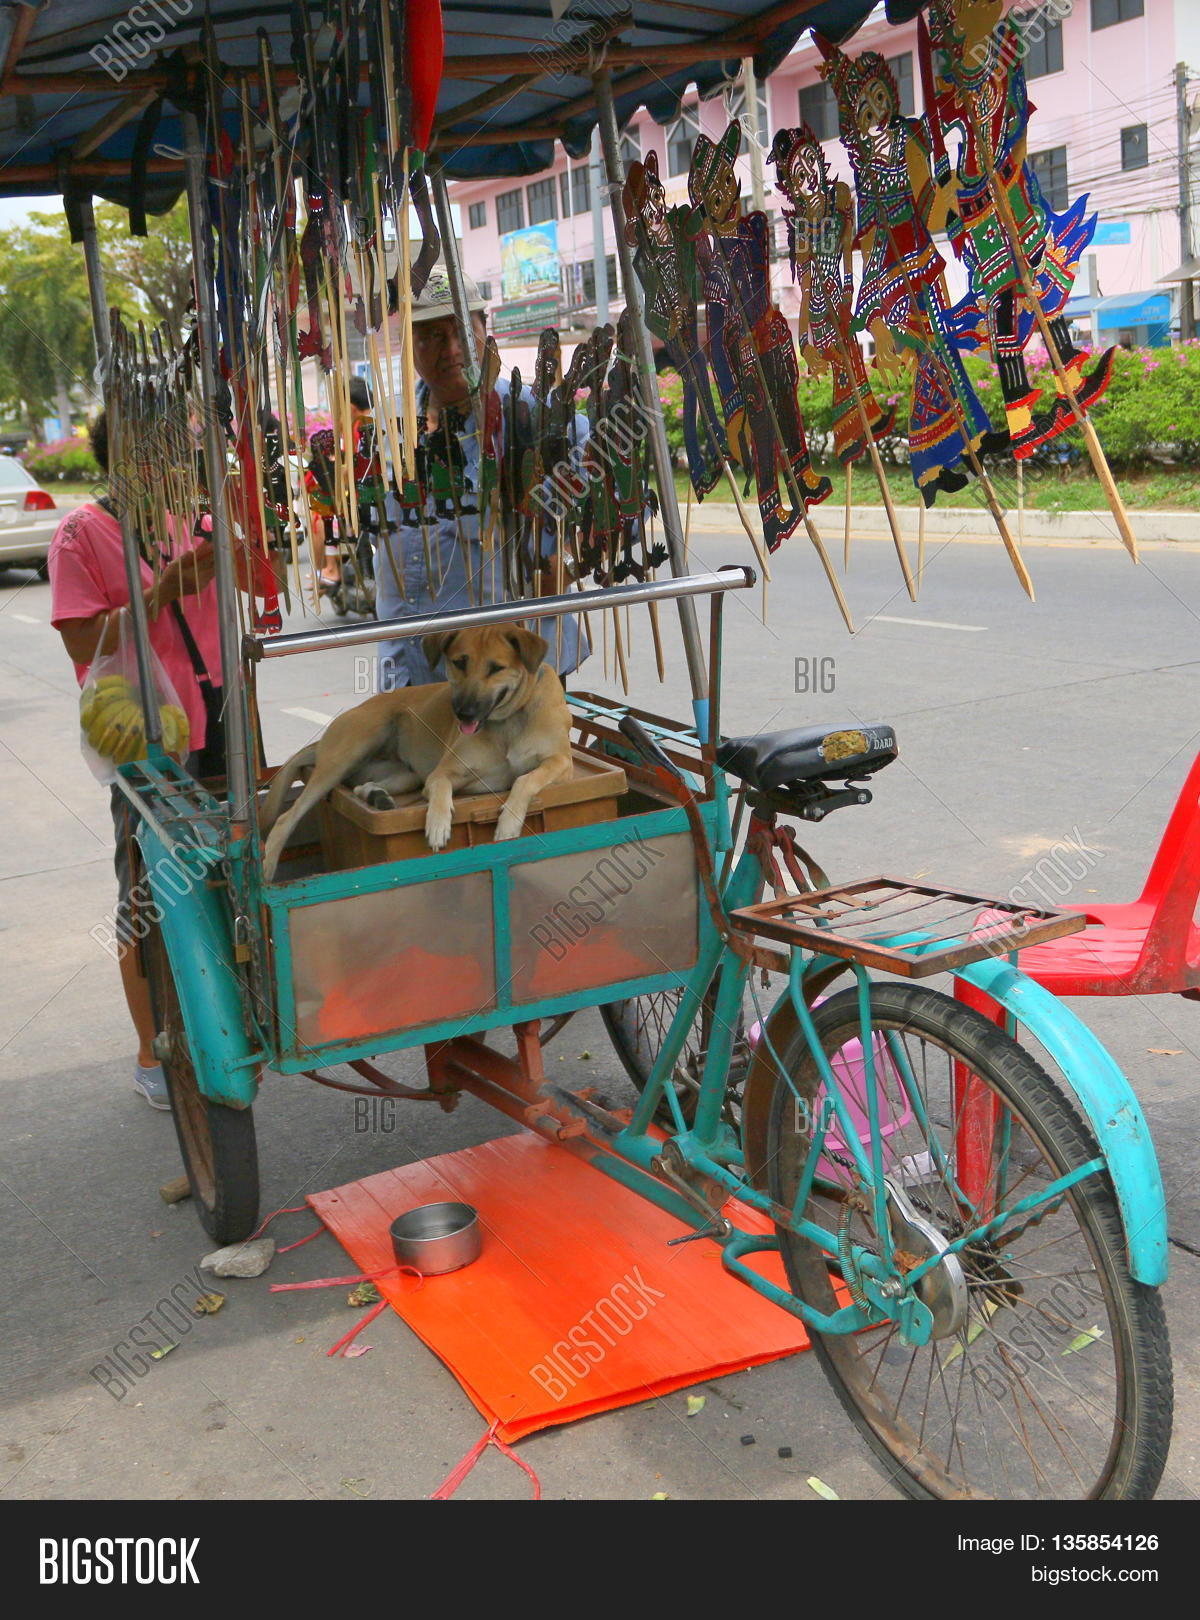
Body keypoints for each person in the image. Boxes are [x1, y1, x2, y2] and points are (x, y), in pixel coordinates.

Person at [48, 410, 227, 1109]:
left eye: (171, 454)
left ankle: (228, 1024)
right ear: (113, 459)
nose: (161, 468)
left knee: (230, 873)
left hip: (220, 718)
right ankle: (153, 1050)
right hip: (145, 736)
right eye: (144, 455)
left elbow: (259, 588)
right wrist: (157, 595)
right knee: (148, 894)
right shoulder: (80, 534)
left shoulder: (198, 518)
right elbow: (79, 641)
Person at [374, 265, 587, 689]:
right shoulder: (393, 427)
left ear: (484, 334)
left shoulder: (540, 420)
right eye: (432, 334)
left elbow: (605, 529)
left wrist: (563, 562)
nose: (451, 349)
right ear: (408, 345)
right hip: (412, 674)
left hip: (508, 682)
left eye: (461, 331)